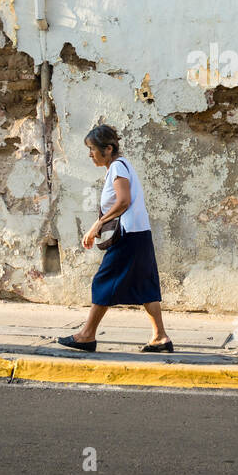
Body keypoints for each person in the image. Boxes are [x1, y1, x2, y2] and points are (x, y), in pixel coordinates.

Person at [57, 124, 173, 354]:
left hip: (129, 236)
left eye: (92, 149)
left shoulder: (118, 167)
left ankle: (87, 335)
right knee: (145, 285)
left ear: (108, 149)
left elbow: (123, 201)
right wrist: (96, 226)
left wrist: (98, 224)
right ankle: (160, 337)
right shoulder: (122, 166)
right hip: (140, 233)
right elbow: (119, 205)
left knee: (103, 281)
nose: (90, 154)